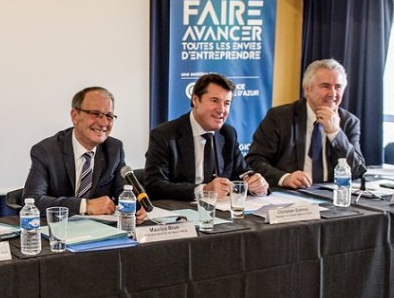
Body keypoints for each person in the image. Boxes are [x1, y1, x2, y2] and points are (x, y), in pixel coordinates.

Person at [23, 86, 147, 221]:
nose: (103, 123)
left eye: (109, 116)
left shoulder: (114, 149)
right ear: (75, 116)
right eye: (95, 114)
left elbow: (122, 191)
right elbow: (33, 201)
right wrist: (85, 206)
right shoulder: (46, 151)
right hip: (59, 229)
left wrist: (135, 205)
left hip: (100, 231)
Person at [144, 73, 269, 201]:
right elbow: (154, 185)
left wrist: (257, 184)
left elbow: (242, 172)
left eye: (227, 103)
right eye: (214, 101)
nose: (221, 110)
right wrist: (203, 190)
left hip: (221, 213)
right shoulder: (164, 135)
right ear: (195, 100)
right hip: (181, 212)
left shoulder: (228, 134)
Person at [246, 58, 366, 188]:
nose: (333, 94)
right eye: (325, 86)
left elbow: (357, 170)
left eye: (338, 87)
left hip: (332, 195)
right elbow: (254, 161)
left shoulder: (349, 121)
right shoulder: (280, 117)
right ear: (307, 90)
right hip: (290, 195)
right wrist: (284, 178)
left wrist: (335, 133)